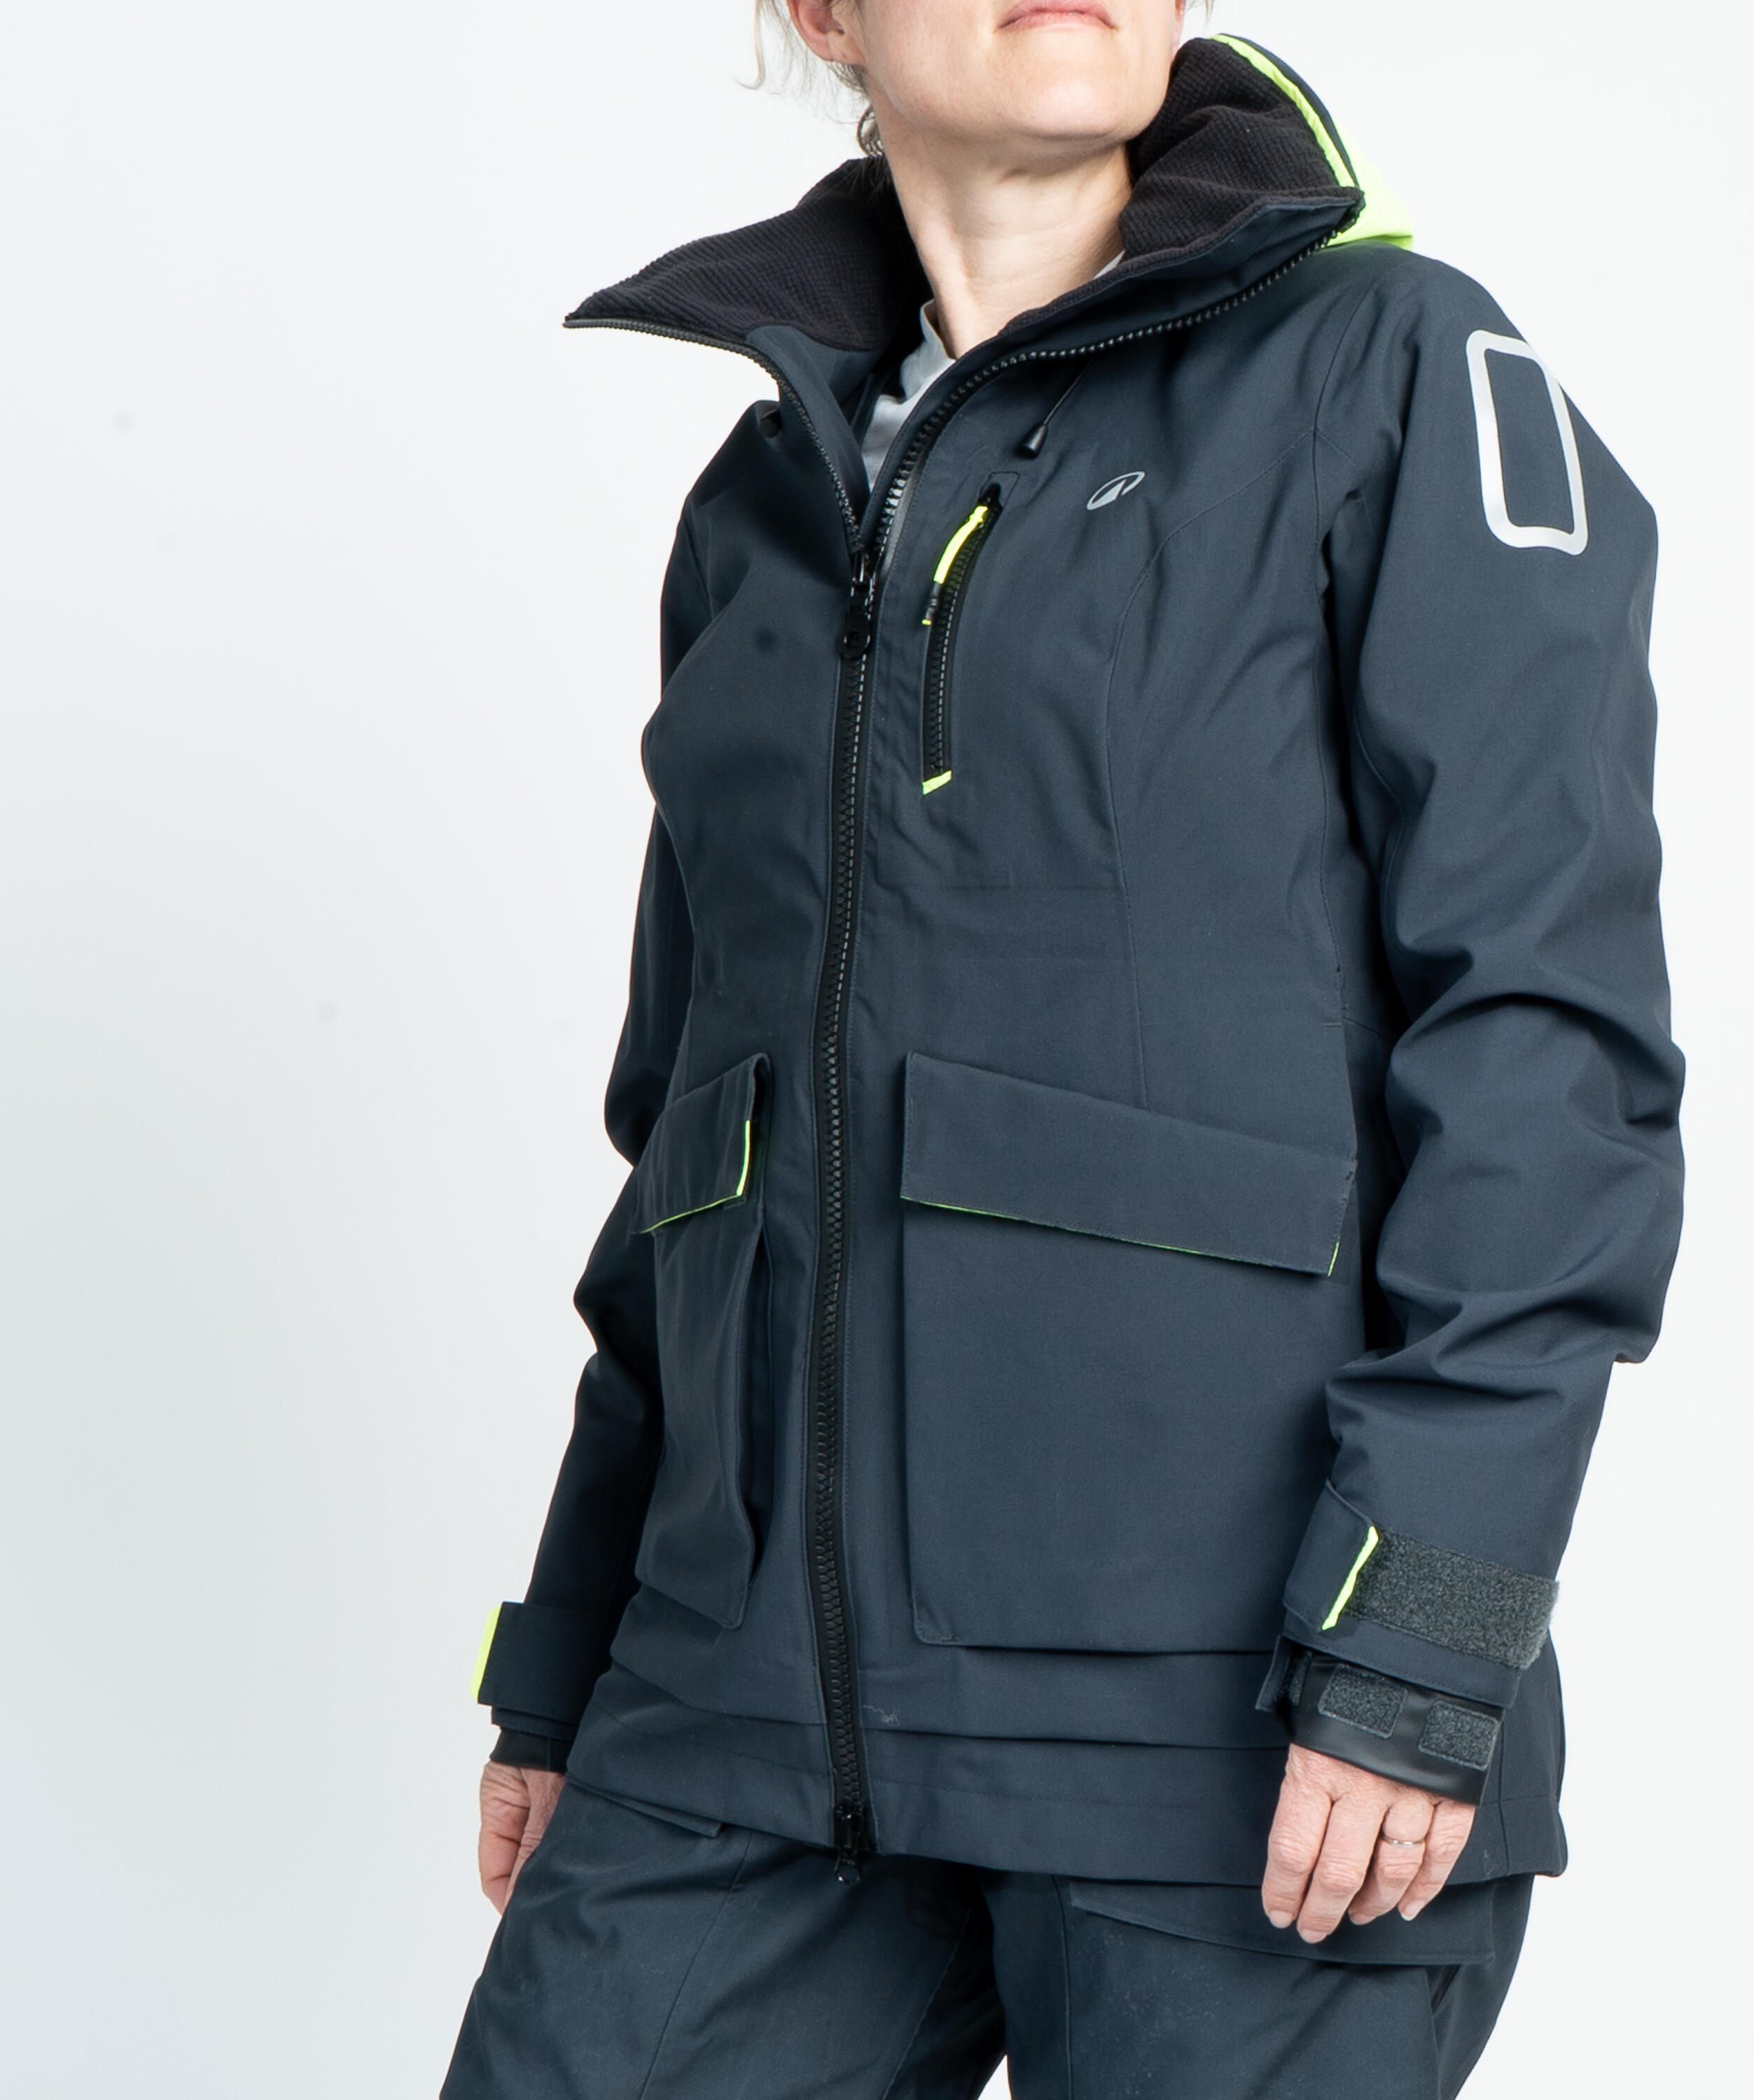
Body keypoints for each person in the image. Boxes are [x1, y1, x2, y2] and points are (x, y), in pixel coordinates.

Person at [444, 5, 1684, 2094]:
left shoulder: (1390, 372)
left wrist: (1425, 1632)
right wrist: (578, 1652)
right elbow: (696, 1144)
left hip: (1227, 1743)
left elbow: (1545, 1044)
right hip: (746, 1723)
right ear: (823, 14)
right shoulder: (763, 502)